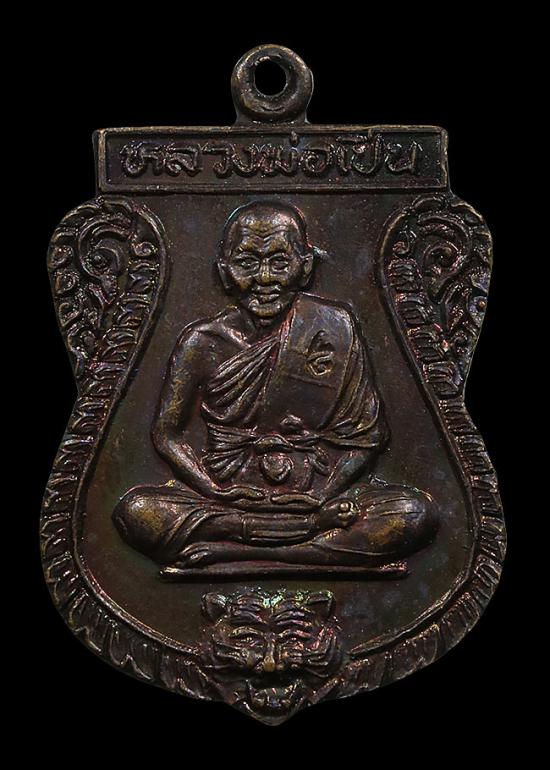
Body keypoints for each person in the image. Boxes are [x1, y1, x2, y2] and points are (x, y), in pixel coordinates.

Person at [113, 201, 437, 569]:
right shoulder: (201, 343)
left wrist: (324, 493)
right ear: (224, 271)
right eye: (247, 263)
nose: (265, 278)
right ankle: (300, 539)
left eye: (280, 262)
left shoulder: (334, 328)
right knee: (138, 511)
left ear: (305, 267)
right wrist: (214, 489)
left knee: (413, 514)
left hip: (318, 495)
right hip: (227, 498)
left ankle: (243, 550)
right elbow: (167, 435)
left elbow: (368, 438)